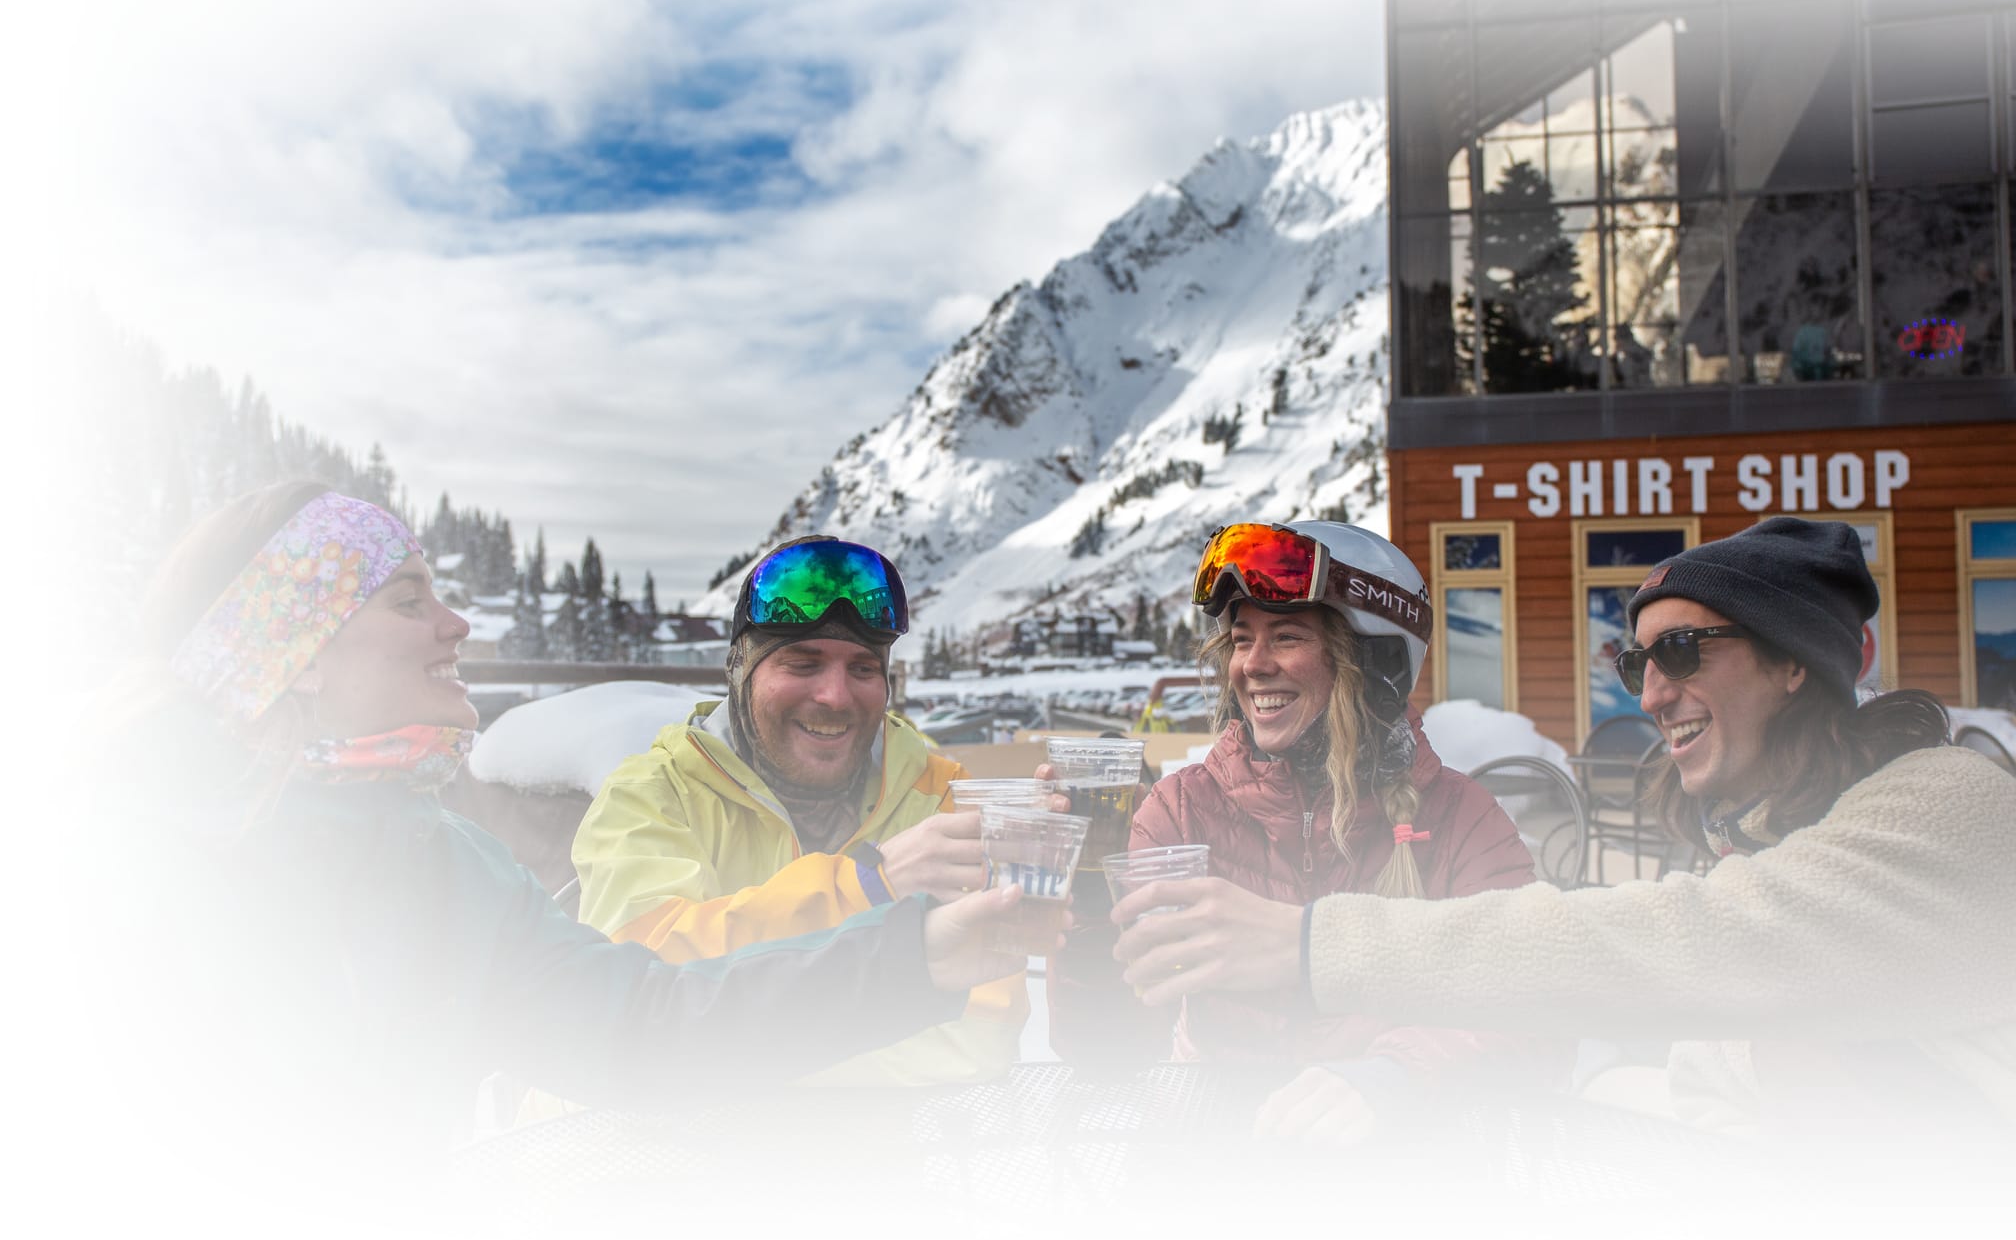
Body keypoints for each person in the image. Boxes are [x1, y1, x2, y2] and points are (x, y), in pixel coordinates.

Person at [89, 483, 1033, 1191]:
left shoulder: (438, 857)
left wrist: (918, 959)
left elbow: (642, 1025)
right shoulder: (116, 849)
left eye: (864, 668)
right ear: (291, 655)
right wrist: (869, 890)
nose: (457, 623)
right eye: (409, 601)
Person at [1112, 517, 2016, 1162]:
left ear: (1795, 662)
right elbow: (1722, 1079)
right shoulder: (1776, 849)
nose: (1652, 692)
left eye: (1683, 650)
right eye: (1638, 662)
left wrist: (1316, 955)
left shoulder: (1948, 808)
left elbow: (1682, 944)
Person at [1051, 521, 1552, 1144]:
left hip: (1403, 1167)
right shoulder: (1180, 813)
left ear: (1373, 661)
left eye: (1286, 637)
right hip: (1221, 1159)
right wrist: (1090, 897)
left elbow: (1538, 1014)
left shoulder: (1460, 819)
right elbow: (1108, 1049)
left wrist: (1396, 1075)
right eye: (1241, 640)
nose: (1253, 665)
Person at [572, 536, 1022, 1084]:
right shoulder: (651, 796)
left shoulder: (940, 796)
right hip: (644, 1140)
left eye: (863, 669)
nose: (835, 696)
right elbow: (641, 1003)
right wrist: (865, 889)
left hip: (861, 1138)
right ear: (740, 669)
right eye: (803, 664)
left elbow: (979, 1032)